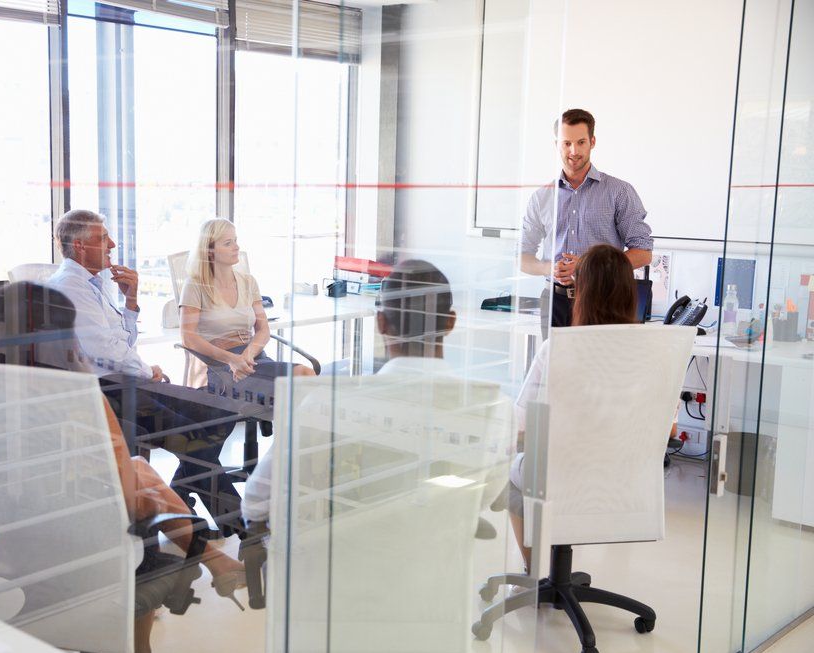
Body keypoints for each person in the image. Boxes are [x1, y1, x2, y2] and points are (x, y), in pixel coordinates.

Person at [0, 282, 246, 653]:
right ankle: (144, 650)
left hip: (2, 545)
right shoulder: (75, 396)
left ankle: (214, 559)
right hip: (73, 550)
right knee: (141, 498)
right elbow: (125, 495)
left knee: (139, 470)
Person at [244, 259, 506, 525]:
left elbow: (255, 503)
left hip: (345, 561)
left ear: (380, 322)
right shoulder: (494, 409)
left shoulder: (325, 406)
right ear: (451, 322)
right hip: (438, 561)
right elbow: (482, 499)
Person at [47, 209, 243, 537]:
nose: (112, 244)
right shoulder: (71, 286)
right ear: (80, 246)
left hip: (127, 381)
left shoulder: (92, 284)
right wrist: (148, 370)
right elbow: (107, 352)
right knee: (196, 437)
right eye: (102, 238)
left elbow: (122, 341)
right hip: (107, 390)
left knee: (219, 415)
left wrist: (131, 301)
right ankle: (234, 525)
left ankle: (180, 499)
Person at [509, 244, 639, 572]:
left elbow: (521, 423)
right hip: (624, 479)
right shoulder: (651, 352)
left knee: (512, 472)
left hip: (564, 476)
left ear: (580, 291)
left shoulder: (559, 349)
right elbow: (664, 429)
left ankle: (534, 571)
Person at [518, 109, 653, 338]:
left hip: (604, 300)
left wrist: (589, 266)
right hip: (554, 302)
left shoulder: (619, 192)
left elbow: (643, 253)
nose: (574, 151)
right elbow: (522, 257)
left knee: (599, 371)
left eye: (581, 142)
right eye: (566, 143)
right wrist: (547, 268)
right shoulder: (542, 197)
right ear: (557, 145)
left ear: (592, 142)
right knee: (556, 372)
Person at [180, 218, 316, 391]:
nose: (236, 247)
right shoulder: (195, 285)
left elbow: (263, 329)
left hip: (253, 358)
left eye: (235, 241)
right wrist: (231, 359)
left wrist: (246, 356)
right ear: (210, 251)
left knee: (304, 384)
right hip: (221, 366)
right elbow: (188, 337)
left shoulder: (248, 282)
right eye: (228, 243)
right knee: (304, 377)